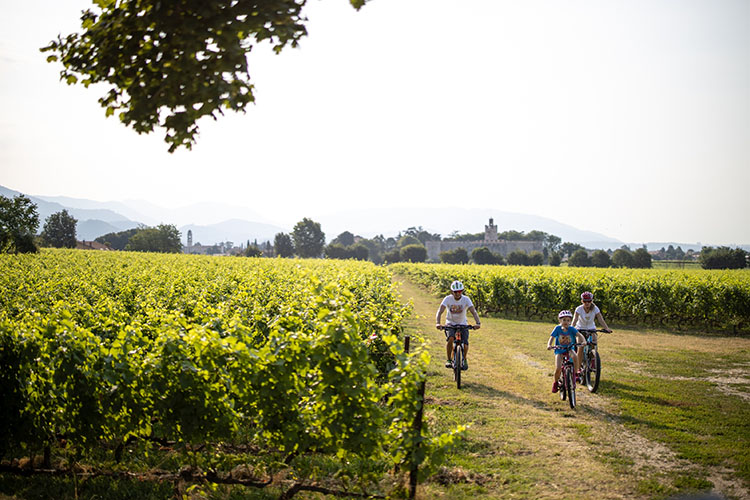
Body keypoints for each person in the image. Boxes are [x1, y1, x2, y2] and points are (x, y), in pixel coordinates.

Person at [435, 280, 481, 370]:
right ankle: (449, 359)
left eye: (459, 291)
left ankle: (464, 359)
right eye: (455, 292)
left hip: (463, 323)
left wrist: (478, 323)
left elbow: (473, 312)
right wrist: (438, 322)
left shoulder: (466, 299)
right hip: (450, 323)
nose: (457, 294)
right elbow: (440, 311)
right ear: (452, 292)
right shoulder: (447, 299)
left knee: (465, 343)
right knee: (451, 339)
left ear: (462, 291)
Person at [547, 310, 586, 393]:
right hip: (559, 349)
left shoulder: (572, 329)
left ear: (570, 321)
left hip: (569, 348)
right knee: (558, 368)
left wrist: (583, 341)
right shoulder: (557, 328)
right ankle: (556, 382)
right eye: (563, 320)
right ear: (560, 320)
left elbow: (579, 335)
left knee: (575, 357)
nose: (566, 322)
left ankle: (575, 374)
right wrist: (549, 345)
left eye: (568, 320)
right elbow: (552, 337)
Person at [572, 291, 612, 367]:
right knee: (580, 346)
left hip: (591, 328)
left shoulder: (595, 309)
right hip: (580, 328)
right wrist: (571, 328)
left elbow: (600, 319)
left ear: (592, 301)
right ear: (582, 301)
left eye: (589, 301)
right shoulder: (579, 309)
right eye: (585, 301)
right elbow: (575, 319)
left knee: (594, 343)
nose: (587, 303)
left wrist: (606, 328)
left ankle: (593, 358)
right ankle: (578, 368)